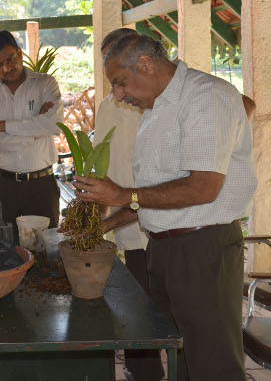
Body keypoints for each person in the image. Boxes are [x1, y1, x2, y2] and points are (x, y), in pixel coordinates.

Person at [74, 33, 257, 381]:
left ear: (145, 64)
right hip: (166, 246)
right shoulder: (158, 106)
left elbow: (202, 188)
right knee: (182, 356)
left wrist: (124, 196)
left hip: (202, 248)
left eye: (120, 82)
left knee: (212, 362)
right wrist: (109, 222)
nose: (118, 94)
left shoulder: (206, 97)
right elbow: (158, 191)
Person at [92, 28, 165, 381]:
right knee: (136, 308)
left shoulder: (157, 100)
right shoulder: (106, 105)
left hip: (162, 222)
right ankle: (143, 370)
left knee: (167, 309)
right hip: (127, 226)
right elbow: (104, 160)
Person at [0, 30, 63, 229]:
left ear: (20, 53)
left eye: (11, 59)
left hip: (41, 185)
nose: (7, 68)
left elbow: (53, 125)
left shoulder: (45, 84)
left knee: (44, 249)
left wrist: (5, 127)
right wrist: (32, 136)